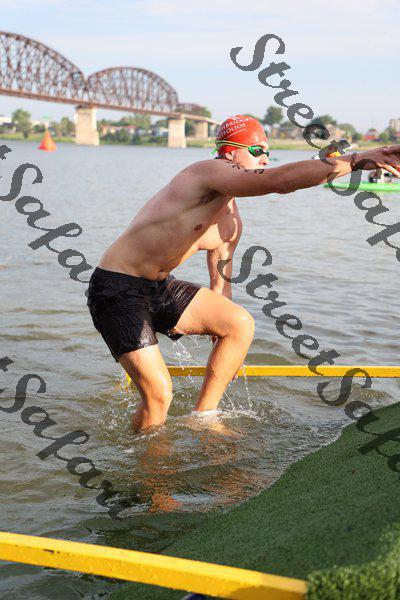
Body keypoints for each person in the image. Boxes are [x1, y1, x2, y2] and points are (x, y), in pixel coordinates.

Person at [87, 114, 400, 433]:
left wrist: (224, 347)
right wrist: (357, 160)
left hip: (157, 287)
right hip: (116, 288)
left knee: (238, 324)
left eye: (267, 153)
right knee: (159, 396)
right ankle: (145, 458)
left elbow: (220, 283)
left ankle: (204, 417)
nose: (265, 158)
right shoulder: (205, 172)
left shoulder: (229, 222)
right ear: (229, 152)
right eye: (257, 150)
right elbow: (278, 181)